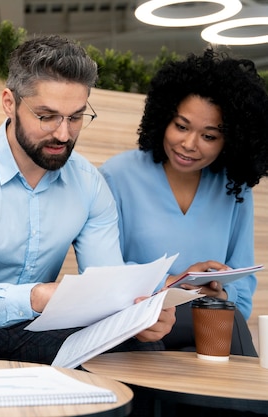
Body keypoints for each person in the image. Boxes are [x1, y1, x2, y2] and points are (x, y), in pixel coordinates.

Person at [0, 34, 175, 364]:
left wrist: (139, 315)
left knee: (141, 350)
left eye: (75, 117)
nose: (63, 134)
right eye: (46, 116)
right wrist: (36, 296)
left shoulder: (89, 183)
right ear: (9, 102)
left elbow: (106, 282)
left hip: (38, 324)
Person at [99, 48, 268, 356]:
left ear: (231, 140)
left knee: (223, 326)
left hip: (211, 323)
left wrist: (220, 289)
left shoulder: (234, 187)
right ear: (163, 118)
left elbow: (243, 281)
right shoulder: (117, 176)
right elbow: (103, 271)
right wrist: (173, 283)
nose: (189, 145)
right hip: (139, 322)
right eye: (181, 126)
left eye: (209, 136)